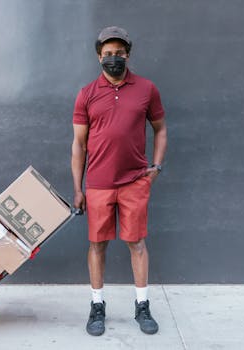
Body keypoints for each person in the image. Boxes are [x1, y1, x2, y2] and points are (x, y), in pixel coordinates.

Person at [71, 26, 168, 336]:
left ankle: (142, 306)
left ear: (128, 54)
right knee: (97, 244)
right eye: (108, 53)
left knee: (136, 243)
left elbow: (160, 129)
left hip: (134, 181)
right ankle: (97, 306)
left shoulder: (146, 89)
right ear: (99, 56)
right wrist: (78, 187)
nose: (114, 58)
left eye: (119, 53)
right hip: (98, 184)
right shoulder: (86, 93)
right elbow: (79, 145)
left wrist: (156, 167)